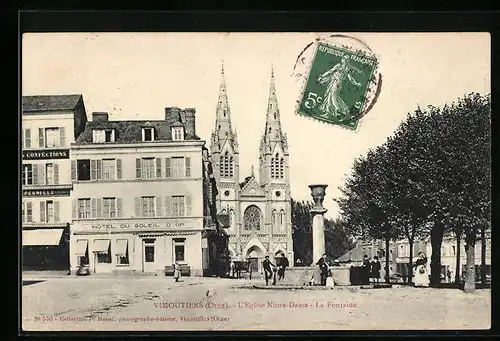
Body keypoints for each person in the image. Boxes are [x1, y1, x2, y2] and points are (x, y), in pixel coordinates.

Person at [317, 54, 362, 121]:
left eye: (343, 59)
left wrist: (322, 76)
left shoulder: (340, 66)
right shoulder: (347, 68)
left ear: (344, 60)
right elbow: (351, 79)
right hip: (335, 83)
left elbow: (330, 71)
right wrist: (356, 84)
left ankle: (339, 111)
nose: (342, 60)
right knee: (330, 96)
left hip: (336, 83)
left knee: (333, 97)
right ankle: (328, 113)